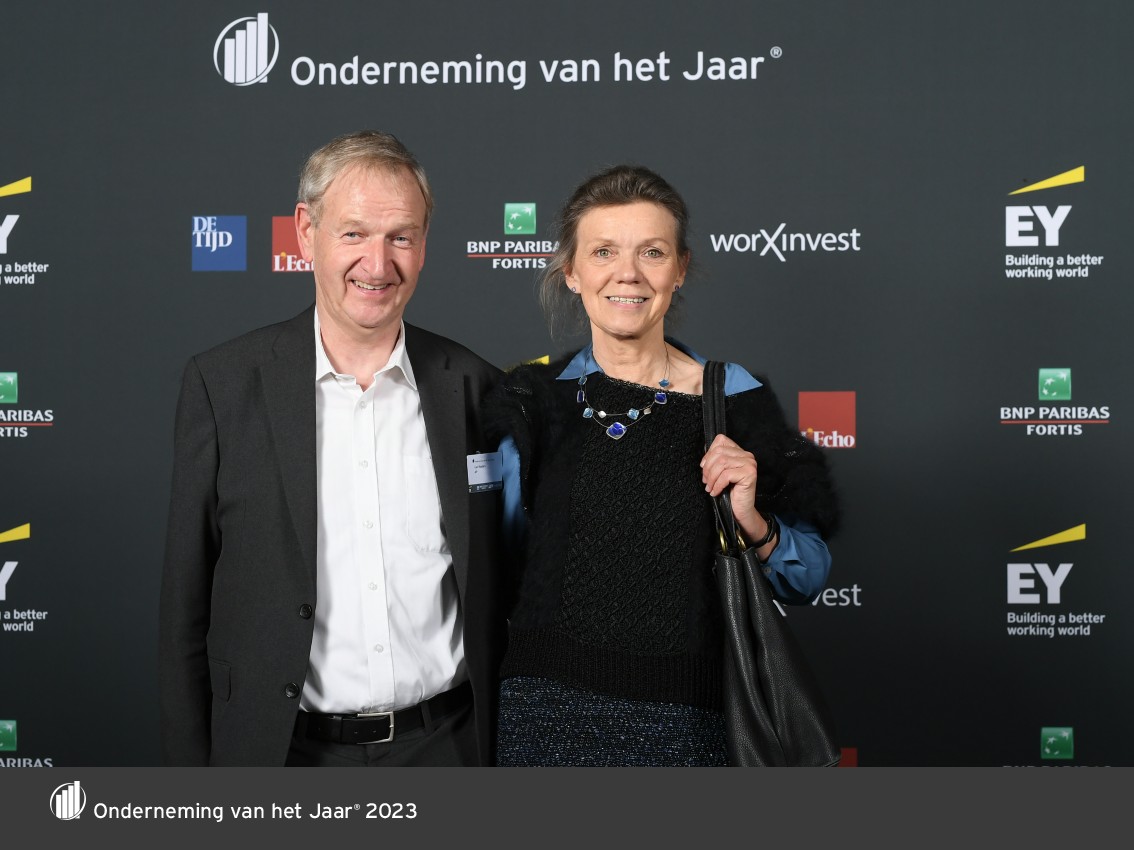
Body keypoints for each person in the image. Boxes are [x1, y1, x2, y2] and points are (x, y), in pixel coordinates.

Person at [159, 130, 506, 767]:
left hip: (446, 751)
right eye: (354, 234)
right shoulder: (224, 385)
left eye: (401, 237)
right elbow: (185, 608)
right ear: (305, 232)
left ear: (424, 244)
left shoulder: (478, 388)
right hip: (283, 757)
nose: (378, 264)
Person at [484, 164, 840, 766]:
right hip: (543, 717)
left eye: (651, 252)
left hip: (688, 723)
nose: (627, 273)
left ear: (679, 269)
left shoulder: (731, 398)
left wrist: (753, 522)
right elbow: (497, 568)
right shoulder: (531, 402)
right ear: (572, 272)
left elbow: (807, 576)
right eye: (603, 251)